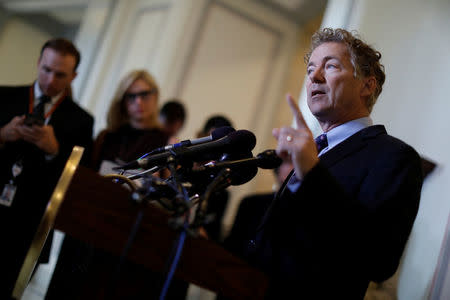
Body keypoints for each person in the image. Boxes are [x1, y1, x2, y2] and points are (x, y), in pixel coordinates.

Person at [248, 28, 423, 299]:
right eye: (310, 70)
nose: (315, 77)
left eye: (330, 66)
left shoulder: (394, 157)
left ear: (367, 85)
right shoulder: (313, 150)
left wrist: (313, 174)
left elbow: (380, 260)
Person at [45, 69, 184, 300]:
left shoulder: (166, 143)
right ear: (122, 100)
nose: (138, 102)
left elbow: (170, 198)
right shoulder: (106, 137)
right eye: (131, 96)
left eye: (145, 94)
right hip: (87, 232)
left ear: (155, 96)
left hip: (129, 239)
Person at [0, 38, 94, 298]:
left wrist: (56, 152)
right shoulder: (5, 96)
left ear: (73, 76)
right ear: (38, 62)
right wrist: (2, 135)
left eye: (60, 74)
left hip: (30, 225)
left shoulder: (81, 121)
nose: (51, 79)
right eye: (46, 69)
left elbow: (81, 180)